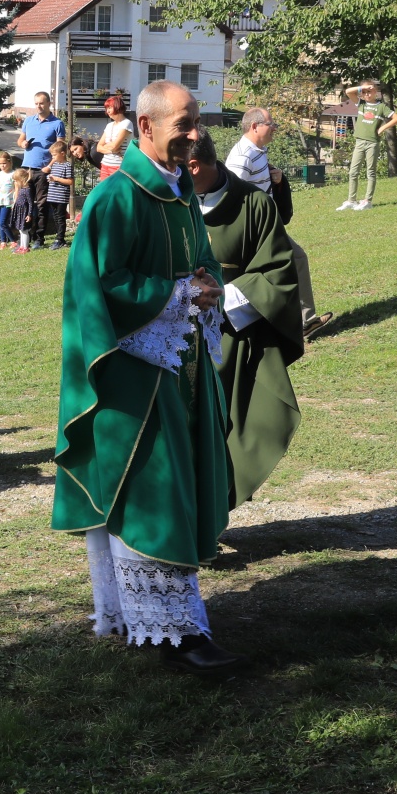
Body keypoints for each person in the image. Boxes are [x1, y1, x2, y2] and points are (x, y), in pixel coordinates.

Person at [53, 79, 241, 674]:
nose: (195, 135)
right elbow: (100, 284)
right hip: (135, 378)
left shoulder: (179, 191)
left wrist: (207, 286)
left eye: (197, 122)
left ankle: (152, 619)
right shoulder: (116, 198)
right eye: (183, 124)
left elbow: (201, 262)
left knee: (180, 488)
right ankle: (171, 632)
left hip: (180, 367)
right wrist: (178, 294)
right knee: (153, 493)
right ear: (145, 126)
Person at [186, 130, 304, 504]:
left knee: (222, 428)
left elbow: (278, 272)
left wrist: (221, 298)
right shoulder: (166, 200)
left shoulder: (254, 204)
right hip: (169, 335)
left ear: (193, 165)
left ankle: (212, 511)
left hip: (229, 338)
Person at [226, 109, 327, 336]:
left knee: (290, 263)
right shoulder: (242, 156)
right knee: (291, 262)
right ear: (255, 127)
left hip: (267, 224)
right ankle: (299, 322)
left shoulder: (258, 150)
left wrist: (277, 180)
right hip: (257, 229)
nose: (275, 128)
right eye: (270, 124)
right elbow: (232, 195)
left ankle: (299, 322)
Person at [337, 82, 397, 211]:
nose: (367, 94)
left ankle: (367, 201)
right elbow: (348, 92)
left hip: (372, 143)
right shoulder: (361, 104)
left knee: (370, 172)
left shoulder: (381, 107)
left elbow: (396, 118)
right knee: (353, 172)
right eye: (364, 92)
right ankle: (351, 200)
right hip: (359, 142)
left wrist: (382, 127)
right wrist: (363, 88)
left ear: (375, 92)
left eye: (369, 91)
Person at [21, 91, 65, 215]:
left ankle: (40, 228)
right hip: (27, 168)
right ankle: (27, 227)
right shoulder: (28, 121)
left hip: (43, 169)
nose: (38, 106)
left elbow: (61, 148)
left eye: (41, 103)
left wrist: (50, 166)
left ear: (49, 103)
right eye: (36, 103)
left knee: (42, 204)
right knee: (25, 203)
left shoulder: (57, 123)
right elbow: (20, 140)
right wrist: (23, 143)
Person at [41, 140, 73, 247]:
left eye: (54, 155)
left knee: (60, 218)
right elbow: (52, 177)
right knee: (55, 218)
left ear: (62, 153)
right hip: (52, 196)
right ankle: (59, 238)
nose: (53, 157)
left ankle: (60, 239)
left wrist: (56, 179)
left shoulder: (67, 165)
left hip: (61, 197)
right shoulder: (54, 165)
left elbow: (70, 181)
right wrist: (50, 178)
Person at [96, 90, 133, 179]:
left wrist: (107, 147)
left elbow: (115, 146)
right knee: (104, 188)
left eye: (109, 108)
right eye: (106, 108)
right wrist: (111, 150)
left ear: (117, 107)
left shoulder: (126, 123)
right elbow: (98, 147)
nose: (107, 111)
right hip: (105, 164)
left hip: (119, 165)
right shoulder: (109, 125)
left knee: (118, 188)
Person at [0, 153, 18, 245]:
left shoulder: (13, 174)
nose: (2, 166)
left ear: (9, 162)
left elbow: (16, 189)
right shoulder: (0, 174)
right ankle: (3, 241)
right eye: (0, 164)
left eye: (4, 163)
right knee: (0, 222)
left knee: (3, 222)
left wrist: (15, 201)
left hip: (8, 201)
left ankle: (13, 241)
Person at [7, 169, 35, 252]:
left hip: (24, 213)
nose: (15, 182)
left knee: (24, 230)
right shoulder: (21, 189)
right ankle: (21, 246)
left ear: (22, 180)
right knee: (20, 230)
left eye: (16, 181)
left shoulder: (27, 190)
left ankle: (25, 247)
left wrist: (29, 214)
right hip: (19, 212)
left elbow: (30, 203)